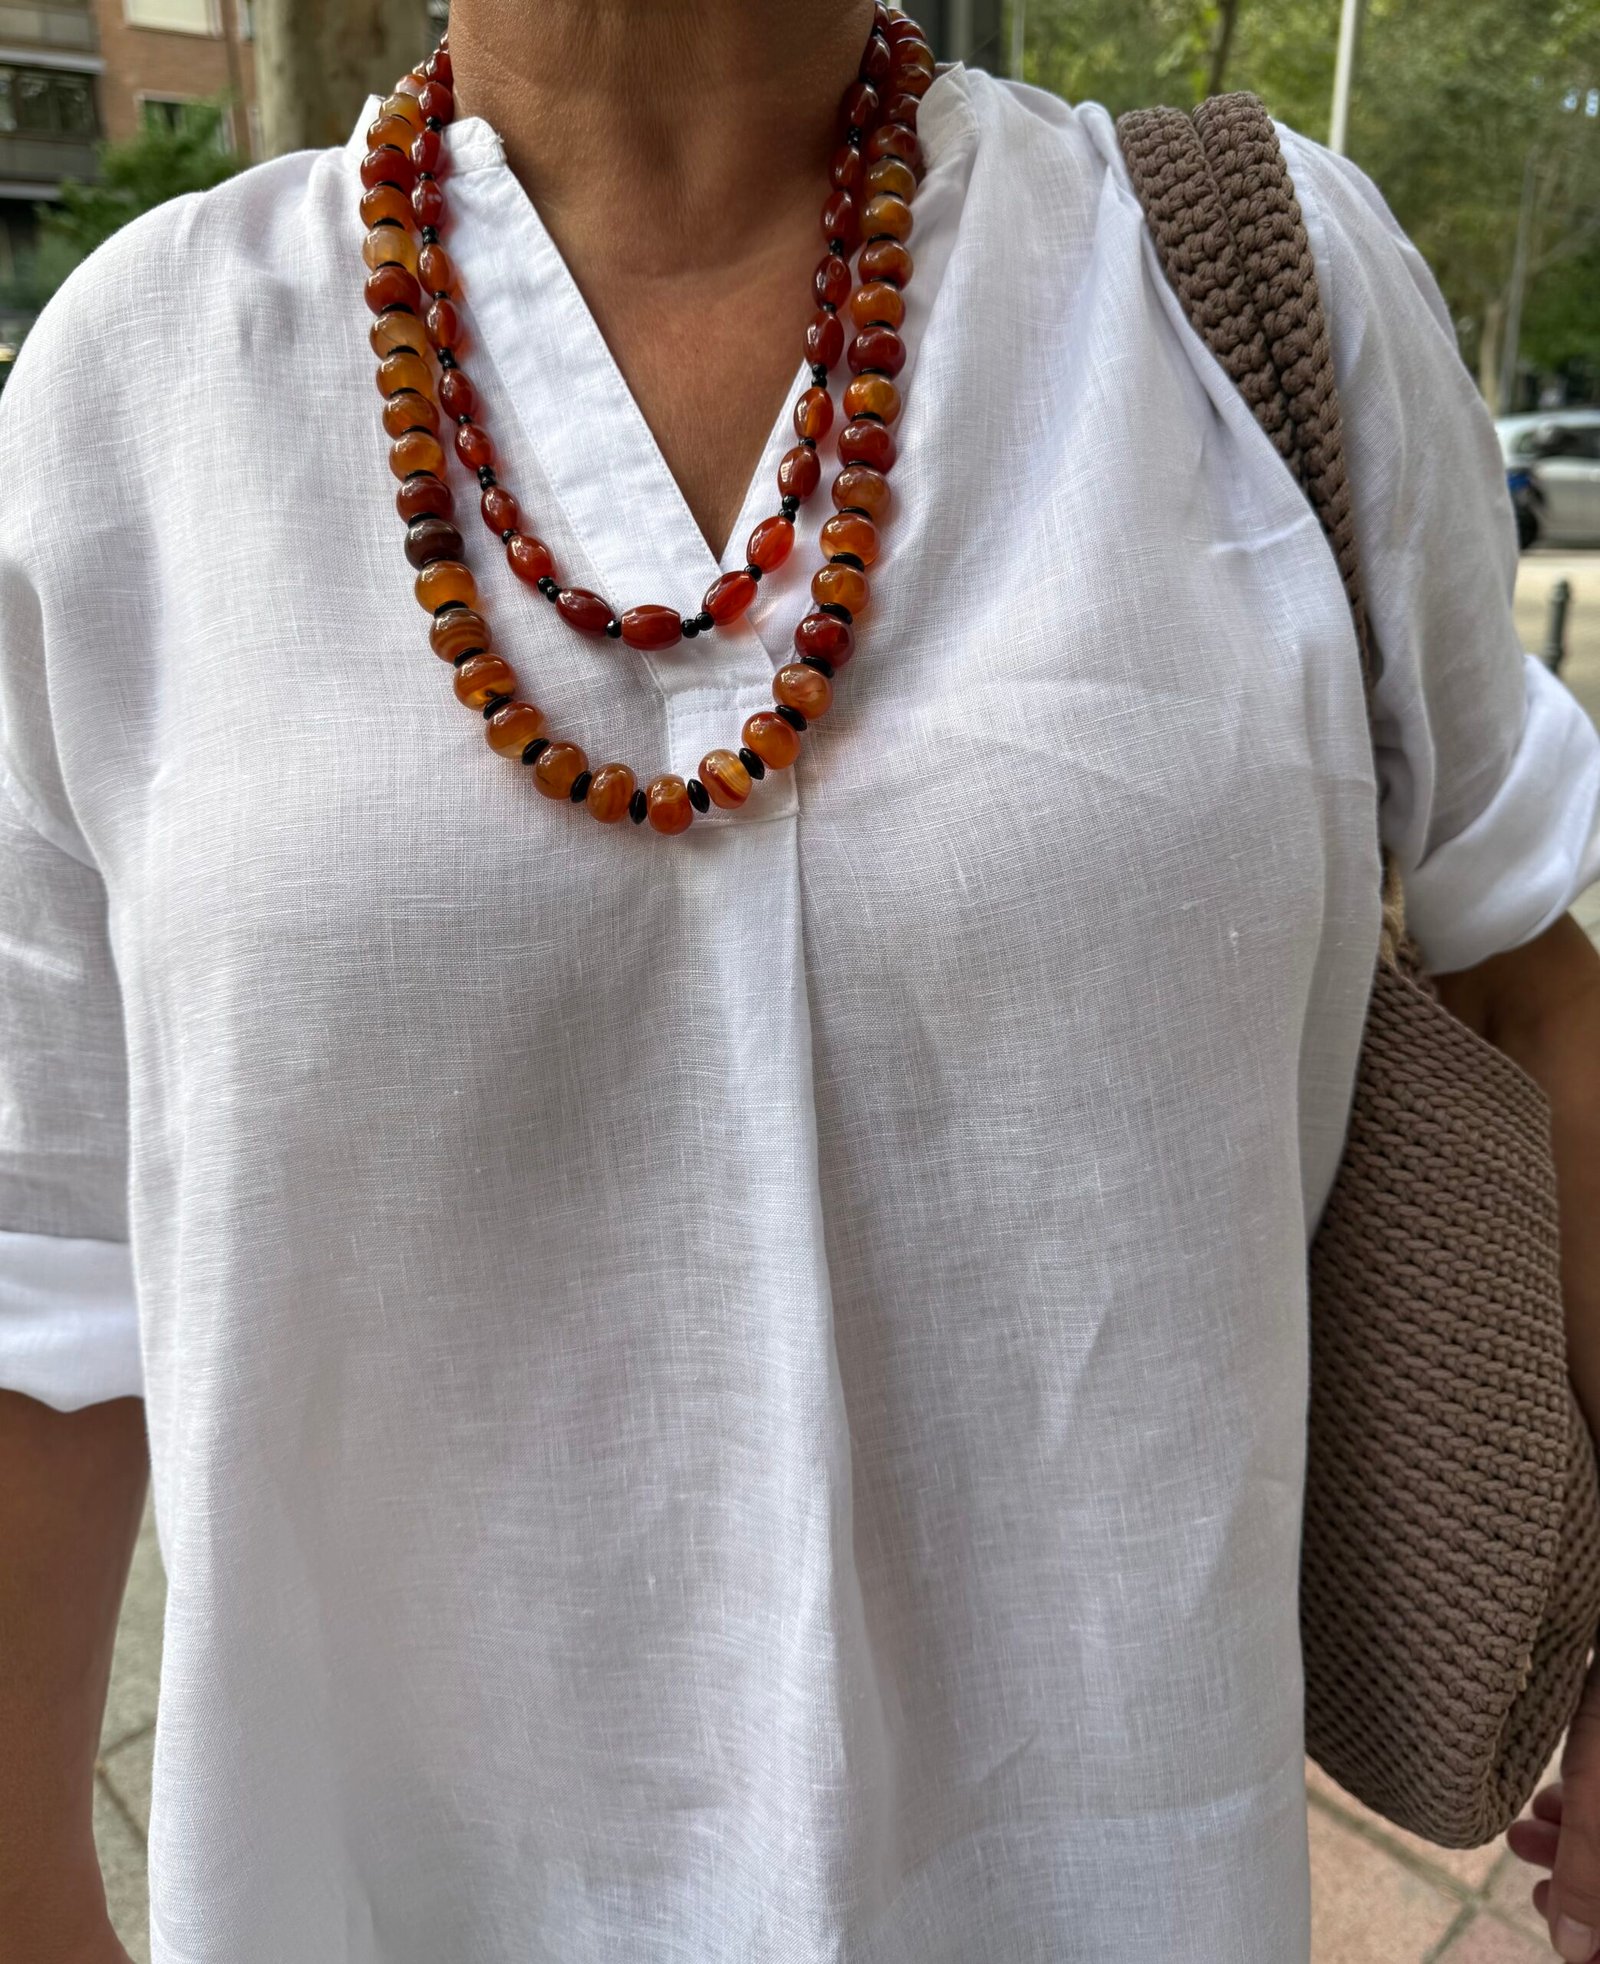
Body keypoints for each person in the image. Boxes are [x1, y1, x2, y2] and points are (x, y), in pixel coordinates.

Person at [1, 3, 1598, 1960]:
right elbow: (41, 1264)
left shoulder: (1252, 288)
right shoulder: (140, 382)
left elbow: (1529, 979)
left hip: (1121, 1880)